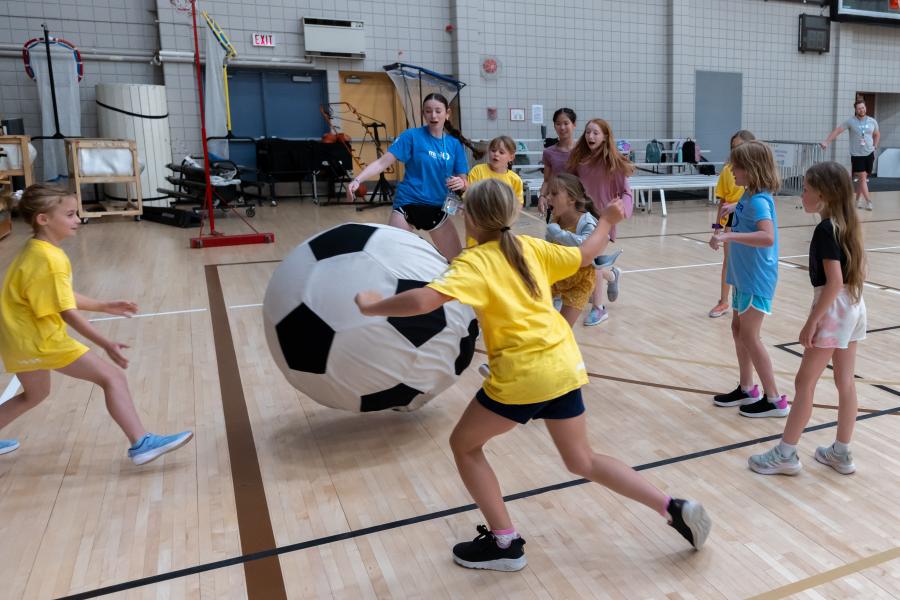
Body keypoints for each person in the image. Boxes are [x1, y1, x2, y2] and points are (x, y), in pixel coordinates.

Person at [354, 179, 712, 572]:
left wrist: (373, 306)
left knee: (464, 445)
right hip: (562, 363)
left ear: (471, 219)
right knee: (582, 459)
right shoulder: (531, 247)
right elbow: (589, 253)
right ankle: (671, 507)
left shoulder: (474, 262)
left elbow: (424, 300)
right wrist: (608, 219)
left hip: (523, 375)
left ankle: (505, 543)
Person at [0, 185, 193, 464]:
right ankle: (141, 443)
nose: (77, 219)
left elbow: (60, 296)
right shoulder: (49, 259)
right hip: (39, 340)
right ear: (43, 219)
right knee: (112, 377)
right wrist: (106, 343)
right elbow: (66, 311)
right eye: (69, 214)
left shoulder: (35, 249)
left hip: (19, 338)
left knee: (35, 394)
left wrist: (102, 305)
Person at [748, 162, 866, 475]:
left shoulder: (825, 229)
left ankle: (786, 453)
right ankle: (841, 451)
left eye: (805, 189)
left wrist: (813, 320)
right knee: (845, 381)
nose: (801, 194)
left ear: (823, 194)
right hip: (854, 306)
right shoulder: (846, 223)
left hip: (834, 306)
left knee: (804, 382)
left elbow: (834, 282)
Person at [709, 141, 789, 418]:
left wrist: (729, 235)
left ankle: (775, 399)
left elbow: (767, 236)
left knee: (750, 336)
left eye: (737, 166)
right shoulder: (746, 196)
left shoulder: (758, 201)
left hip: (757, 278)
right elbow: (740, 215)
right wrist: (729, 212)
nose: (731, 170)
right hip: (742, 275)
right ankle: (747, 388)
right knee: (737, 330)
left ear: (752, 170)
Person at [347, 93, 469, 260]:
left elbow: (464, 182)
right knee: (393, 259)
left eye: (438, 111)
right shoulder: (411, 136)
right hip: (408, 203)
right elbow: (382, 163)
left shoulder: (454, 145)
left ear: (447, 113)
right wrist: (357, 180)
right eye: (428, 111)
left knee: (457, 261)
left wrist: (460, 182)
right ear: (423, 113)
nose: (433, 115)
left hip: (438, 208)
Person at [567, 119, 633, 326]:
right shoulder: (579, 161)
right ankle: (611, 275)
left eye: (596, 133)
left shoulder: (614, 162)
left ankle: (598, 308)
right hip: (583, 218)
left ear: (605, 136)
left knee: (592, 261)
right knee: (584, 262)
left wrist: (622, 211)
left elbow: (626, 192)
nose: (591, 137)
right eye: (588, 132)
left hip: (605, 218)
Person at [709, 130, 756, 318]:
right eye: (733, 147)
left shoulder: (756, 173)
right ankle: (723, 301)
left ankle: (749, 299)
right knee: (728, 261)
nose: (735, 150)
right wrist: (717, 228)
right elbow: (721, 203)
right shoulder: (728, 170)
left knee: (748, 261)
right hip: (730, 219)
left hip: (748, 218)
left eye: (739, 147)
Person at [544, 174, 601, 327]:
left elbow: (586, 247)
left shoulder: (586, 221)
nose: (548, 197)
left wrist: (560, 234)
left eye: (554, 194)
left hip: (580, 281)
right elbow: (548, 246)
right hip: (557, 277)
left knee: (563, 329)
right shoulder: (556, 218)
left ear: (571, 199)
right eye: (548, 193)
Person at [820, 99, 880, 211]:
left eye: (863, 108)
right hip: (857, 155)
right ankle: (868, 202)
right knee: (862, 178)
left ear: (865, 107)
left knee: (863, 178)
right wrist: (826, 142)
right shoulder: (850, 122)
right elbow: (837, 131)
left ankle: (856, 201)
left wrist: (875, 146)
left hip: (869, 153)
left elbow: (877, 134)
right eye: (859, 108)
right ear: (856, 110)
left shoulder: (872, 121)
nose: (861, 110)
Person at [537, 108, 577, 215]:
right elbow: (546, 180)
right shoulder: (549, 152)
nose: (562, 127)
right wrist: (542, 197)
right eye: (558, 124)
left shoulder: (582, 151)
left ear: (574, 124)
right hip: (556, 204)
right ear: (554, 126)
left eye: (566, 123)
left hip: (578, 205)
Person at [467, 135, 524, 205]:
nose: (496, 154)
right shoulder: (477, 171)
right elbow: (468, 197)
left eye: (501, 152)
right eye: (493, 150)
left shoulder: (515, 180)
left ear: (511, 157)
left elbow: (518, 205)